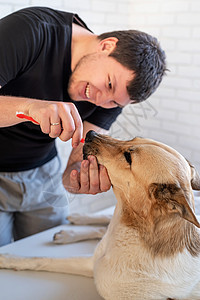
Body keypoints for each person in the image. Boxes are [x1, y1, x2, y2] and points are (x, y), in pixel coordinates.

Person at [0, 6, 166, 246]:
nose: (98, 101)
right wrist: (29, 108)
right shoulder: (31, 31)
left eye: (113, 102)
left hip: (44, 177)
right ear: (107, 46)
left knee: (46, 253)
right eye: (108, 84)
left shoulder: (114, 97)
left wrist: (76, 177)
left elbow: (83, 150)